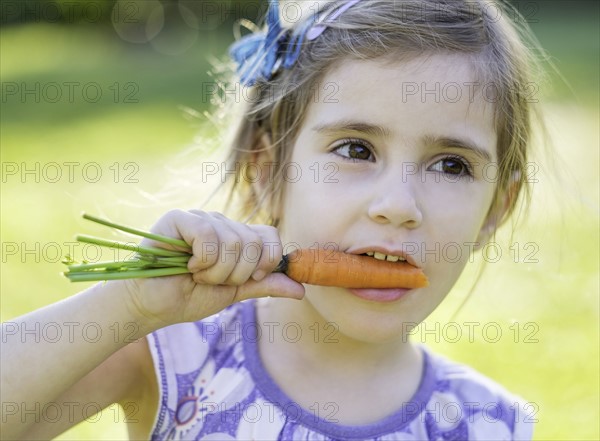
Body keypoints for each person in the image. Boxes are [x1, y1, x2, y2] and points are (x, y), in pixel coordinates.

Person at [1, 0, 544, 439]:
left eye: (451, 165)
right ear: (266, 170)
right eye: (355, 150)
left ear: (497, 208)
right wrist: (127, 305)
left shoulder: (487, 423)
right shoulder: (176, 352)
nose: (398, 205)